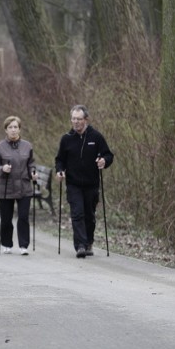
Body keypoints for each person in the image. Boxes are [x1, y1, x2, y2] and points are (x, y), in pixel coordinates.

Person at [54, 105, 114, 259]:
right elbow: (60, 160)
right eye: (73, 119)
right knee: (77, 214)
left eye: (79, 119)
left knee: (89, 215)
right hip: (73, 184)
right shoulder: (66, 138)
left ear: (85, 120)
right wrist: (60, 171)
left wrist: (103, 161)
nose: (76, 122)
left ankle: (88, 242)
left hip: (91, 184)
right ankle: (80, 245)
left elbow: (108, 155)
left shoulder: (96, 137)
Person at [0, 116, 37, 255]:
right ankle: (6, 243)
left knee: (23, 217)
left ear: (19, 129)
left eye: (15, 127)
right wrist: (2, 169)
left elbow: (31, 163)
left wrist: (33, 173)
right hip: (6, 187)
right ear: (5, 130)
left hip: (24, 187)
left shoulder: (27, 146)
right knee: (6, 219)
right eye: (10, 127)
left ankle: (24, 245)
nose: (13, 130)